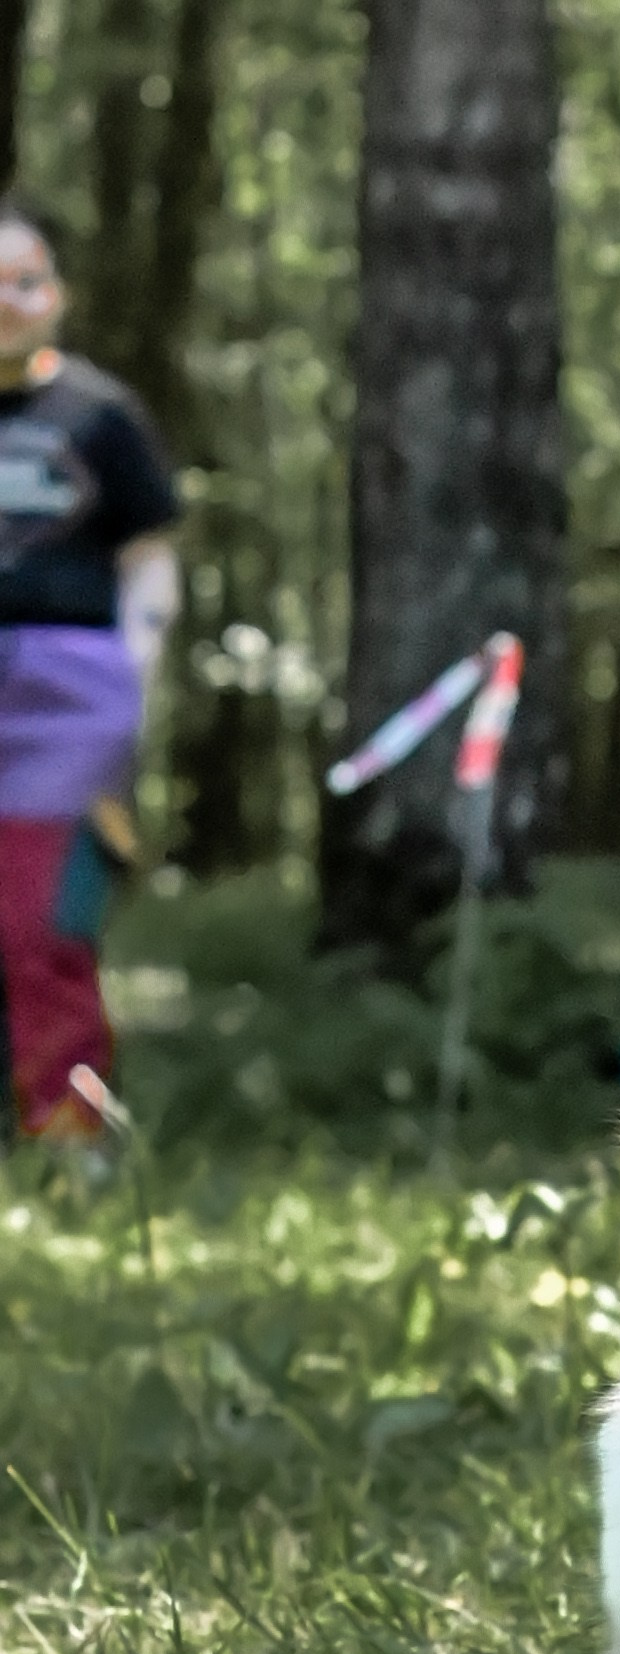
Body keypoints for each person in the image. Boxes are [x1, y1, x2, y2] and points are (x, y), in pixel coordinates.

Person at [0, 200, 179, 1149]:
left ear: (56, 294)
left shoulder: (100, 414)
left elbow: (149, 555)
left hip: (63, 706)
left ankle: (69, 1141)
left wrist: (129, 671)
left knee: (42, 927)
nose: (7, 300)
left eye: (25, 279)